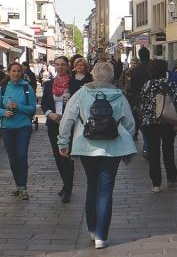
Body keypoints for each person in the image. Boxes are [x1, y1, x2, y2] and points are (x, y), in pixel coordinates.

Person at [58, 61, 138, 250]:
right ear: (111, 77)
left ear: (93, 75)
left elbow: (67, 118)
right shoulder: (119, 95)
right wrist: (126, 141)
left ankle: (92, 229)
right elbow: (130, 123)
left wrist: (63, 142)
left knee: (91, 185)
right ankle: (102, 235)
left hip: (87, 146)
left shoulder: (82, 93)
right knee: (106, 189)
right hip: (113, 148)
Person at [0, 63, 37, 200]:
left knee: (22, 155)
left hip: (23, 127)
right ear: (9, 72)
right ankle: (18, 185)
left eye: (19, 71)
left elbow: (32, 109)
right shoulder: (3, 88)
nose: (16, 73)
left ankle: (23, 187)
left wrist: (18, 106)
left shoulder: (27, 88)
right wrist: (3, 112)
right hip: (7, 128)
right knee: (12, 158)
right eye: (13, 71)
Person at [139, 59, 177, 192]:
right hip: (167, 121)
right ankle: (171, 177)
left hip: (150, 123)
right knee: (168, 149)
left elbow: (142, 104)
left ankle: (156, 182)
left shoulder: (147, 85)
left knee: (153, 152)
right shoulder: (169, 83)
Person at [42, 56, 77, 203]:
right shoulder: (49, 84)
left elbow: (79, 102)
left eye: (62, 65)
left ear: (68, 66)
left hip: (69, 124)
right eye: (57, 65)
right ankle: (65, 183)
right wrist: (50, 114)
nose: (60, 67)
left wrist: (71, 102)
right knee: (57, 155)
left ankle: (68, 189)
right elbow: (44, 103)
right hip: (54, 122)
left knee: (67, 155)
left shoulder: (74, 83)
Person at [127, 48, 152, 144]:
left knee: (142, 121)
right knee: (151, 124)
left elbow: (132, 87)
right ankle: (148, 146)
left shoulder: (136, 70)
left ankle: (147, 146)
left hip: (139, 99)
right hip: (153, 99)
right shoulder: (153, 66)